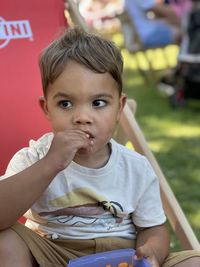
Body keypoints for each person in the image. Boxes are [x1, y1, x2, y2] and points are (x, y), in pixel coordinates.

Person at [0, 27, 200, 267]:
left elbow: (153, 228)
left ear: (119, 107)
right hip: (53, 255)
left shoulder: (135, 167)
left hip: (122, 257)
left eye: (98, 103)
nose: (82, 117)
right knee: (5, 239)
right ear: (46, 109)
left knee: (193, 261)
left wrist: (152, 252)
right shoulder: (34, 158)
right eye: (65, 103)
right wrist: (50, 164)